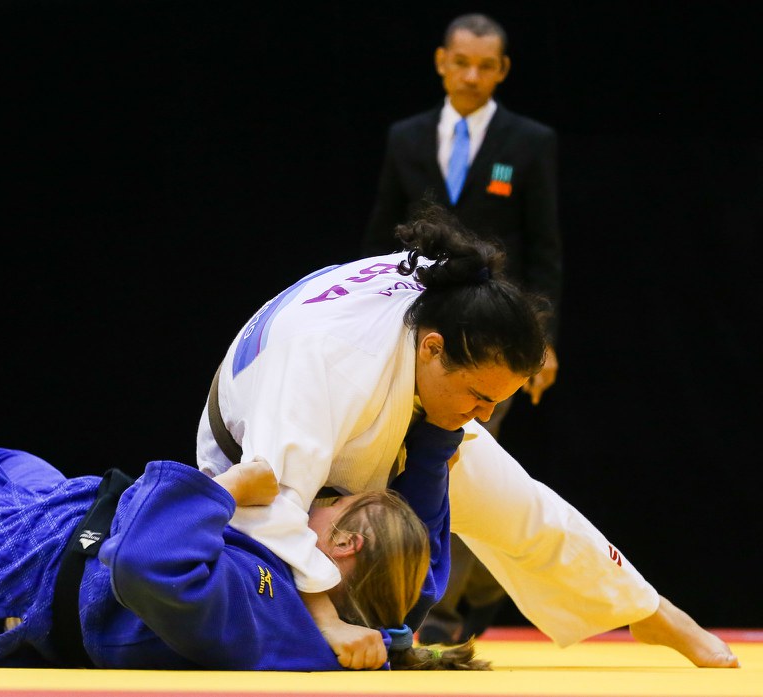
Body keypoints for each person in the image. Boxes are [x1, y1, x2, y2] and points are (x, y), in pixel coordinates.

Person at [196, 204, 738, 669]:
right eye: (479, 396)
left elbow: (466, 399)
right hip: (255, 458)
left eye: (496, 401)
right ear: (432, 349)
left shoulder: (448, 292)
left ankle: (654, 613)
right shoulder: (330, 366)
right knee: (327, 590)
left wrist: (449, 424)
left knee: (521, 504)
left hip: (385, 408)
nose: (484, 412)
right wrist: (329, 623)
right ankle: (329, 615)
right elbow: (273, 504)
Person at [0, 356, 488, 671]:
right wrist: (441, 426)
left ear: (350, 542)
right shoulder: (377, 615)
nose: (319, 500)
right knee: (9, 462)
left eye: (336, 503)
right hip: (54, 522)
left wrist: (230, 489)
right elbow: (419, 546)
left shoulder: (271, 612)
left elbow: (147, 561)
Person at [359, 12, 562, 644]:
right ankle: (476, 584)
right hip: (417, 332)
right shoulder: (407, 137)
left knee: (457, 463)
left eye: (485, 65)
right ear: (442, 61)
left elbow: (544, 249)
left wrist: (541, 342)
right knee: (409, 464)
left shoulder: (528, 142)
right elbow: (382, 233)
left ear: (501, 70)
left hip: (492, 336)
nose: (471, 75)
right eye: (461, 62)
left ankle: (440, 619)